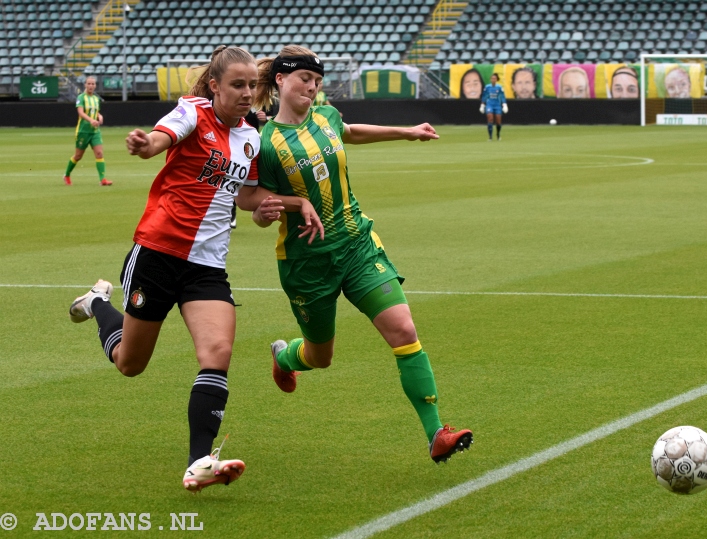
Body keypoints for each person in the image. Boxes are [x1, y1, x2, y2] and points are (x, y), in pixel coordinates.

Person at [67, 46, 292, 492]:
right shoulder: (193, 111)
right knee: (130, 364)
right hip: (158, 254)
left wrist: (263, 210)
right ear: (215, 86)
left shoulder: (251, 137)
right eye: (237, 85)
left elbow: (245, 196)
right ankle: (97, 303)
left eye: (251, 86)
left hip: (207, 266)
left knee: (218, 353)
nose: (248, 93)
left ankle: (199, 462)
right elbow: (161, 138)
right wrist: (145, 143)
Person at [237, 45, 474, 464]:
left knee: (403, 328)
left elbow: (350, 132)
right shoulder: (265, 143)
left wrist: (406, 132)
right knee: (319, 357)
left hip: (357, 244)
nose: (311, 88)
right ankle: (285, 355)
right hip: (307, 263)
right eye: (304, 80)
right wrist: (274, 211)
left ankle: (436, 431)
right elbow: (250, 200)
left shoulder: (325, 116)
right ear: (280, 80)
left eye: (316, 82)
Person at [63, 76, 112, 186]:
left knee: (99, 153)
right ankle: (66, 175)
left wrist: (99, 116)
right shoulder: (81, 97)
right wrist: (91, 120)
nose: (91, 86)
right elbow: (81, 112)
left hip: (95, 131)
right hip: (83, 131)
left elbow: (95, 112)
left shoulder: (96, 99)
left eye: (93, 84)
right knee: (78, 156)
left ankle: (103, 179)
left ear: (95, 86)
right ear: (85, 85)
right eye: (88, 84)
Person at [480, 73, 508, 141]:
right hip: (489, 105)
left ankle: (498, 135)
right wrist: (482, 105)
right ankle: (490, 137)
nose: (493, 79)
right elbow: (484, 96)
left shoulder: (499, 87)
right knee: (490, 119)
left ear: (496, 79)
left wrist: (504, 105)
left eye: (494, 78)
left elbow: (502, 96)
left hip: (497, 105)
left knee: (498, 121)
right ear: (490, 79)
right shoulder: (487, 87)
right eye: (492, 78)